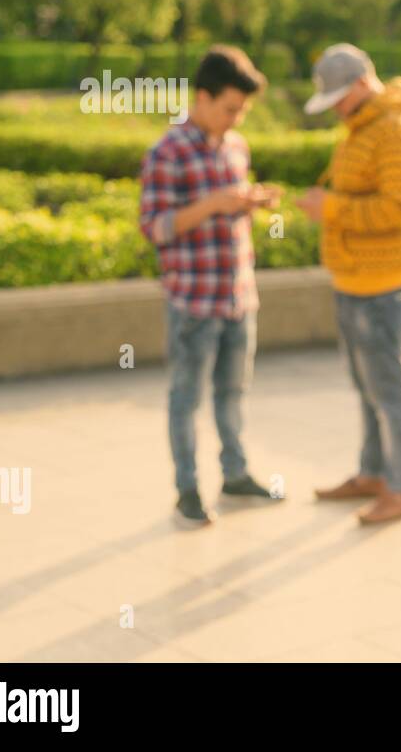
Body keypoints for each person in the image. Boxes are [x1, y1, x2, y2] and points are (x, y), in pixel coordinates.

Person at [139, 45, 285, 529]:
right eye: (230, 108)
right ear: (201, 97)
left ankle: (235, 473)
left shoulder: (236, 146)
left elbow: (225, 208)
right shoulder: (168, 150)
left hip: (238, 295)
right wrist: (215, 203)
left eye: (242, 110)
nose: (236, 117)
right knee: (186, 399)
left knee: (233, 393)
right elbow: (154, 227)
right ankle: (187, 488)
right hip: (193, 301)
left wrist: (247, 203)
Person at [296, 44, 401, 525]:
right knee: (367, 386)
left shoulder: (397, 131)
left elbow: (398, 210)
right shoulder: (363, 127)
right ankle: (374, 474)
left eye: (339, 98)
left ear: (361, 85)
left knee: (389, 390)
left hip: (384, 286)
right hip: (354, 280)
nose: (335, 108)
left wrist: (330, 209)